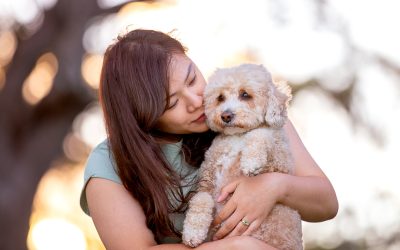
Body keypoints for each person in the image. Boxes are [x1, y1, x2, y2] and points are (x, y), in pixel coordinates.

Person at [80, 29, 338, 249]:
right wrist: (235, 247)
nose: (195, 102)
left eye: (192, 79)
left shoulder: (249, 114)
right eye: (172, 103)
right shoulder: (109, 163)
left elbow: (326, 203)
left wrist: (273, 186)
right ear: (143, 117)